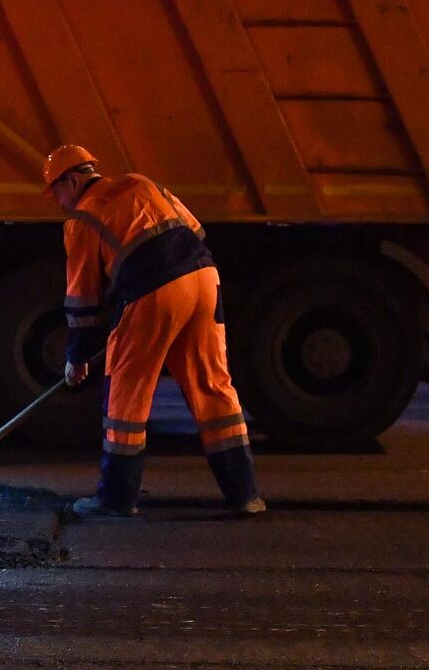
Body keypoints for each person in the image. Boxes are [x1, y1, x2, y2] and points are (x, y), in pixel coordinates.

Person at [44, 144, 266, 519]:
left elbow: (82, 298)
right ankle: (245, 495)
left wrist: (77, 356)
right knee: (213, 386)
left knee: (126, 398)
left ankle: (116, 498)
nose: (59, 202)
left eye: (57, 191)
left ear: (74, 179)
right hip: (203, 279)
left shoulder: (83, 218)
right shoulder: (140, 182)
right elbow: (194, 229)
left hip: (155, 291)